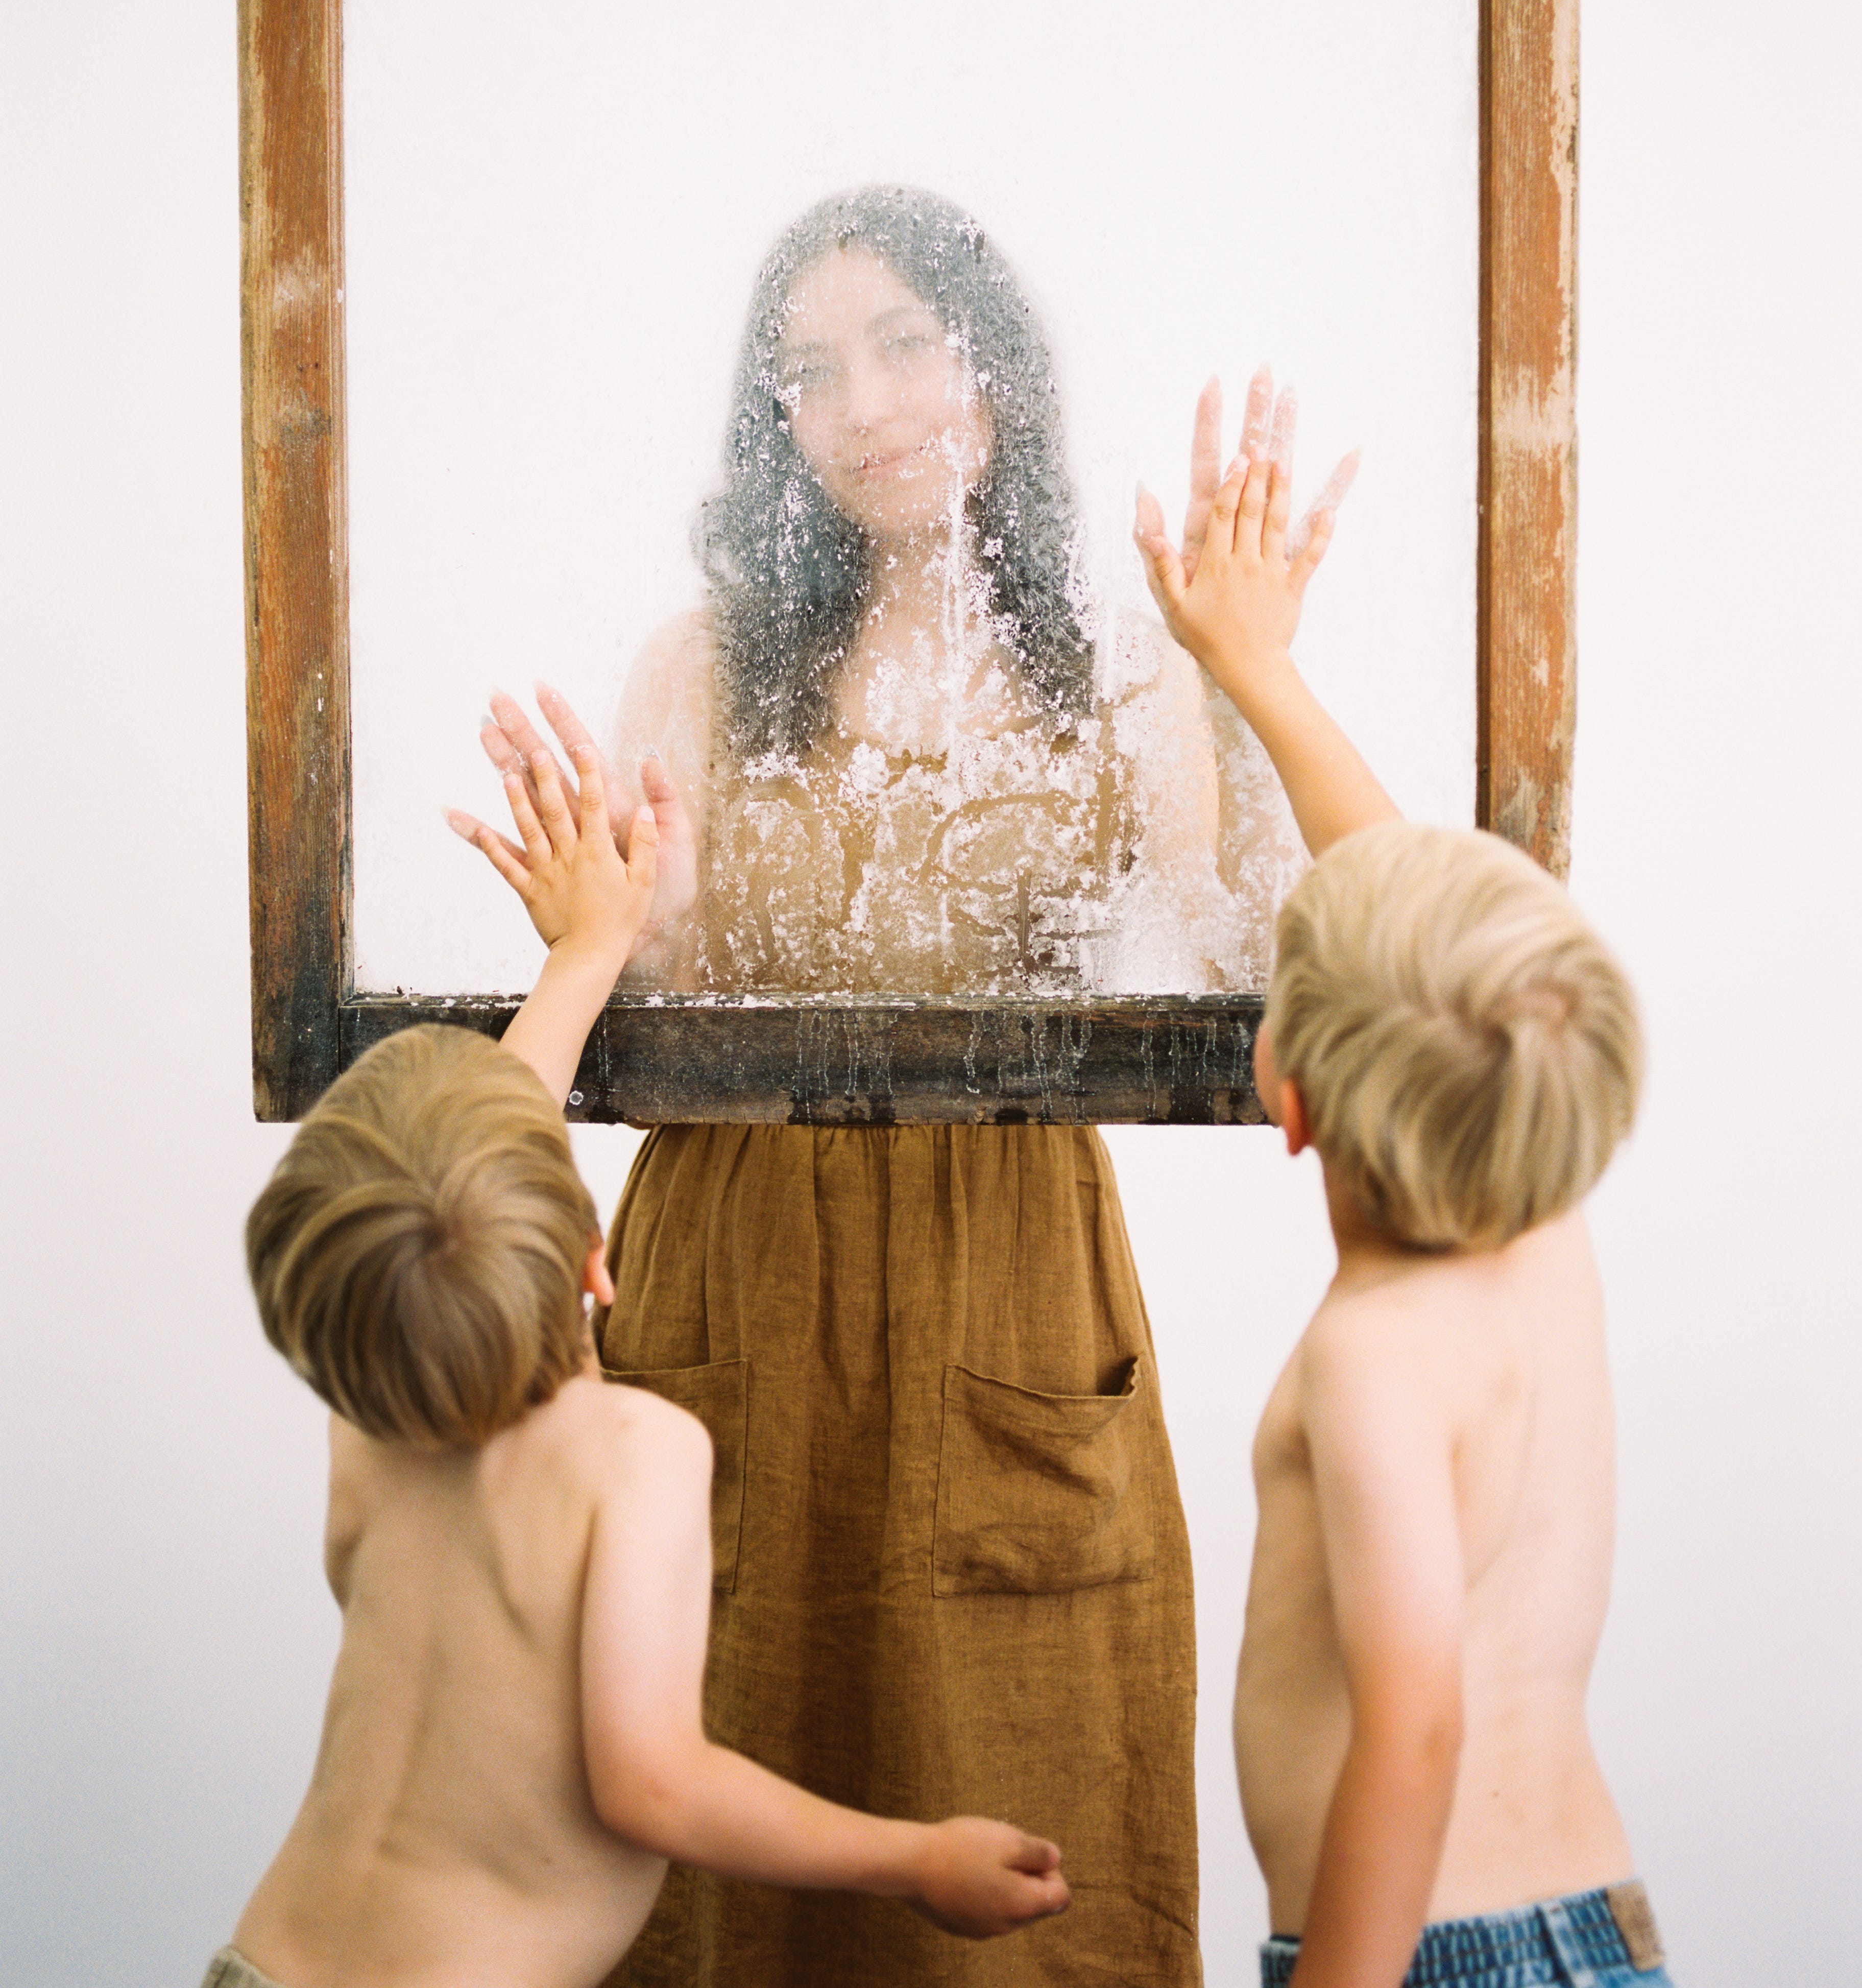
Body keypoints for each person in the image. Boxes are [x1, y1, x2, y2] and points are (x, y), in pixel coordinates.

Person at [451, 187, 1358, 1988]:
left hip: (1009, 1272)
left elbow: (1259, 946)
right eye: (809, 371)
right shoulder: (702, 664)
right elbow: (652, 977)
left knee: (1021, 1789)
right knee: (704, 1776)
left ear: (991, 368)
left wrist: (1247, 669)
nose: (861, 404)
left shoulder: (1117, 665)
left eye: (903, 346)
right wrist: (600, 924)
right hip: (731, 1263)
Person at [211, 746, 1070, 1988]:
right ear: (597, 1265)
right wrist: (917, 1857)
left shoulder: (375, 1418)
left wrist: (588, 954)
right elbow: (653, 1786)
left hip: (262, 1958)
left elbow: (456, 1198)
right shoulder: (631, 1455)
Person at [1149, 483, 1670, 1987]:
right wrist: (1258, 666)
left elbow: (1416, 1727)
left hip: (1430, 1955)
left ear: (1290, 1100)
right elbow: (1428, 942)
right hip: (1590, 1920)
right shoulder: (1534, 1199)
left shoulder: (1377, 1358)